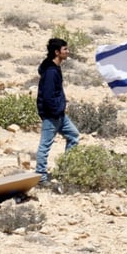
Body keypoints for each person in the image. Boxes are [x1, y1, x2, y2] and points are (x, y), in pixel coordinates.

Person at [34, 38, 79, 187]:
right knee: (45, 146)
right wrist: (55, 110)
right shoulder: (51, 72)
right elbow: (47, 96)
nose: (68, 52)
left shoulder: (54, 67)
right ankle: (41, 177)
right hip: (52, 115)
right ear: (57, 52)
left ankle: (66, 170)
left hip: (59, 115)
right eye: (65, 49)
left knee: (73, 135)